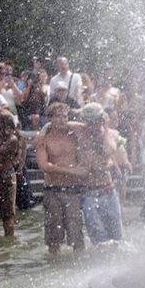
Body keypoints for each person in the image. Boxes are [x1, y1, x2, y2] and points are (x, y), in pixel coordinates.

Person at [35, 102, 87, 254]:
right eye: (58, 116)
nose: (62, 120)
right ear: (50, 118)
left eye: (65, 116)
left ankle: (79, 265)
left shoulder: (73, 135)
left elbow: (87, 126)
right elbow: (44, 166)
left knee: (76, 231)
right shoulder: (44, 139)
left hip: (72, 190)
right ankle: (54, 264)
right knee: (53, 235)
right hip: (53, 190)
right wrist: (73, 171)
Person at [76, 102, 124, 245]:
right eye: (88, 122)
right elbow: (61, 124)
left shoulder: (111, 134)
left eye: (95, 122)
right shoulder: (80, 132)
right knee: (98, 237)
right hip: (89, 193)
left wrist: (105, 129)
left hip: (108, 191)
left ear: (102, 120)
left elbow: (109, 151)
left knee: (117, 236)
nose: (92, 126)